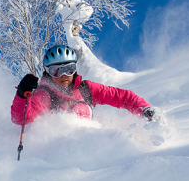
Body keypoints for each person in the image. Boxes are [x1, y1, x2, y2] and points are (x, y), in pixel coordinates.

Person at [11, 45, 156, 125]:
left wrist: (144, 109)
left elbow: (121, 97)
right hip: (62, 154)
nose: (64, 76)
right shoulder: (45, 94)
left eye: (69, 69)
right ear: (48, 73)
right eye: (56, 71)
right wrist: (21, 95)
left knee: (82, 109)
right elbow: (22, 119)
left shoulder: (85, 89)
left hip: (93, 147)